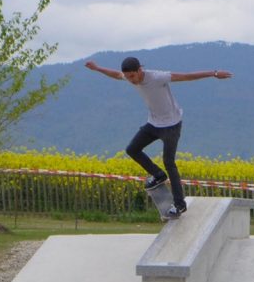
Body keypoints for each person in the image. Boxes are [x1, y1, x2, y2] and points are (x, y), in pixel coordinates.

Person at [85, 57, 232, 218]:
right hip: (153, 124)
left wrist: (214, 73)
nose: (131, 81)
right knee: (132, 149)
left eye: (132, 77)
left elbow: (186, 76)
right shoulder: (129, 76)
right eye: (127, 78)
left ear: (140, 70)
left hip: (171, 125)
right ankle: (158, 175)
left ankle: (180, 205)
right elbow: (115, 74)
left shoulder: (157, 77)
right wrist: (97, 68)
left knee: (169, 162)